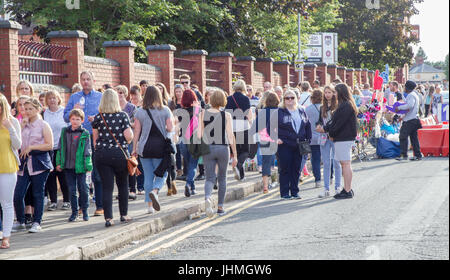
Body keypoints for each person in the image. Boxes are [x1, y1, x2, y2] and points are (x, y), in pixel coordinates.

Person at [92, 89, 134, 227]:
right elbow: (128, 136)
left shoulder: (98, 118)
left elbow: (95, 140)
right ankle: (124, 214)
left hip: (102, 154)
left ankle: (108, 218)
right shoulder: (123, 116)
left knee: (107, 187)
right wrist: (126, 142)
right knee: (123, 185)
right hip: (119, 154)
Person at [64, 71, 104, 216]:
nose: (86, 82)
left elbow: (106, 115)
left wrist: (97, 119)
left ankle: (100, 206)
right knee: (80, 175)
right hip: (78, 142)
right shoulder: (75, 97)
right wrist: (73, 112)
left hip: (95, 140)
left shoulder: (100, 97)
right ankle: (82, 207)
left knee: (97, 175)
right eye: (83, 79)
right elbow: (65, 116)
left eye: (88, 79)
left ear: (94, 80)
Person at [13, 98, 54, 233]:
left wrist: (31, 147)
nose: (28, 111)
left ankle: (37, 222)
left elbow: (49, 145)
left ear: (38, 109)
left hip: (39, 162)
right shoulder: (21, 124)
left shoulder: (43, 125)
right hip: (23, 163)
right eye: (26, 109)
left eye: (31, 109)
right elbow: (16, 142)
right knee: (18, 194)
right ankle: (20, 221)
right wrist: (21, 127)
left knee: (38, 193)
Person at [133, 86, 174, 213]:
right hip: (160, 148)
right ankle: (155, 191)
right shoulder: (165, 110)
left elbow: (137, 131)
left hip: (144, 148)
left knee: (148, 176)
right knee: (163, 172)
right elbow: (170, 128)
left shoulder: (139, 111)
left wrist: (134, 148)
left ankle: (150, 207)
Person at [199, 90, 238, 217]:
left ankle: (208, 197)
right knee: (222, 178)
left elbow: (199, 134)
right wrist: (235, 155)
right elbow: (230, 135)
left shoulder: (203, 113)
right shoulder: (226, 115)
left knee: (209, 178)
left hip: (208, 148)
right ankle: (220, 207)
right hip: (222, 148)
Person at [317, 84, 357, 199]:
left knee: (345, 164)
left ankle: (347, 190)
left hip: (343, 138)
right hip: (344, 138)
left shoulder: (345, 105)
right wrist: (327, 129)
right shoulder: (345, 105)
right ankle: (347, 188)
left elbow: (338, 124)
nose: (333, 94)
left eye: (335, 92)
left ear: (340, 92)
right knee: (345, 164)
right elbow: (335, 122)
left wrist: (327, 130)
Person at [56, 109, 92, 222]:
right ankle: (74, 212)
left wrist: (88, 165)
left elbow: (88, 150)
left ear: (82, 120)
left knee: (83, 189)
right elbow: (60, 148)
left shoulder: (85, 133)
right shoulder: (65, 132)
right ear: (69, 120)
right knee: (72, 190)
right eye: (73, 119)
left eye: (77, 119)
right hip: (68, 166)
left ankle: (85, 210)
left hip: (81, 166)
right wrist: (58, 162)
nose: (75, 121)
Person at [276, 90, 311, 199]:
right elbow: (269, 127)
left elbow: (307, 125)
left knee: (296, 169)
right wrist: (276, 138)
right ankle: (285, 193)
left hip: (299, 144)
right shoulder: (279, 111)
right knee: (285, 169)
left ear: (296, 99)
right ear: (284, 99)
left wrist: (308, 139)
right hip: (285, 144)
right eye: (287, 98)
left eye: (292, 97)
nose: (290, 100)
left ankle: (295, 191)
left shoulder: (301, 110)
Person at [0, 94, 22, 249]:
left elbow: (17, 144)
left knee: (6, 204)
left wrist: (10, 128)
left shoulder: (12, 121)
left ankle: (6, 237)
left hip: (7, 167)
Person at [43, 91, 70, 211]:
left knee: (63, 175)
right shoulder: (44, 113)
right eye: (50, 98)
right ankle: (53, 201)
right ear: (46, 101)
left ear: (58, 99)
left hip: (62, 148)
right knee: (50, 176)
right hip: (48, 148)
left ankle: (66, 200)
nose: (52, 100)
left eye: (54, 98)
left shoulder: (64, 112)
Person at [225, 79, 253, 182]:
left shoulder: (229, 98)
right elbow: (248, 114)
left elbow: (227, 113)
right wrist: (251, 124)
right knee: (246, 151)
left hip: (232, 126)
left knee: (237, 151)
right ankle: (238, 165)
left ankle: (241, 176)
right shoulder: (245, 99)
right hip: (243, 126)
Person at [317, 85, 342, 198]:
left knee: (337, 162)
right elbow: (319, 121)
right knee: (326, 163)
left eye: (329, 92)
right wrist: (318, 126)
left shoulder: (338, 106)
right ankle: (326, 189)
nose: (327, 94)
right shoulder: (322, 108)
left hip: (335, 138)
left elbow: (338, 123)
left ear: (333, 93)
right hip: (324, 138)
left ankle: (337, 187)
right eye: (325, 92)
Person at [116, 85, 138, 200]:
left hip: (129, 139)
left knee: (131, 165)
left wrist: (125, 123)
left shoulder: (131, 107)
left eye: (120, 92)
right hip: (118, 141)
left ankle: (133, 190)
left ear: (125, 93)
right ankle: (122, 191)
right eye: (117, 93)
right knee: (120, 167)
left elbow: (135, 124)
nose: (119, 95)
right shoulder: (114, 107)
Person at [178, 89, 201, 196]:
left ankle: (193, 188)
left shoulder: (180, 111)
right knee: (193, 165)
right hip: (195, 141)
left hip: (183, 141)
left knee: (189, 164)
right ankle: (188, 184)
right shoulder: (198, 110)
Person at [255, 92, 279, 194]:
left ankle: (265, 186)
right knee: (281, 160)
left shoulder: (262, 112)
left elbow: (256, 127)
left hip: (265, 138)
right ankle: (282, 182)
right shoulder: (280, 111)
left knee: (265, 162)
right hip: (278, 139)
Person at [395, 81, 422, 161]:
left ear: (407, 87)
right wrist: (402, 117)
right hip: (414, 119)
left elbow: (409, 106)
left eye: (405, 87)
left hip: (410, 120)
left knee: (403, 136)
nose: (404, 88)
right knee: (414, 138)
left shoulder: (411, 95)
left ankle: (404, 155)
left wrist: (399, 108)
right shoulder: (414, 95)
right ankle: (417, 155)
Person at [305, 89, 323, 188]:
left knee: (315, 159)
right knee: (327, 157)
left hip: (312, 137)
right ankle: (330, 176)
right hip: (324, 136)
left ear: (312, 98)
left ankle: (317, 180)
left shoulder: (307, 109)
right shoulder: (324, 108)